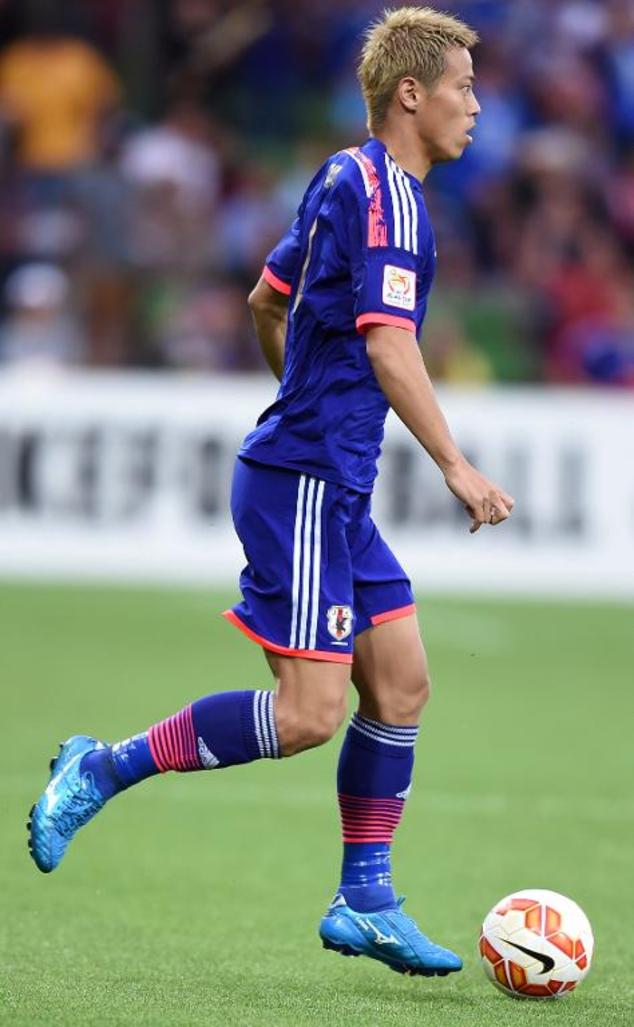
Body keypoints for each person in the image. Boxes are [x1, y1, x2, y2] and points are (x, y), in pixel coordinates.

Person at [28, 7, 514, 978]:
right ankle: (102, 765)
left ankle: (365, 897)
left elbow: (267, 300)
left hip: (325, 479)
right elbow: (387, 342)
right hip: (304, 481)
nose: (474, 104)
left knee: (404, 681)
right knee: (306, 715)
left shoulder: (345, 174)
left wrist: (305, 405)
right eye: (462, 86)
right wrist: (452, 462)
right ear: (410, 93)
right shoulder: (393, 200)